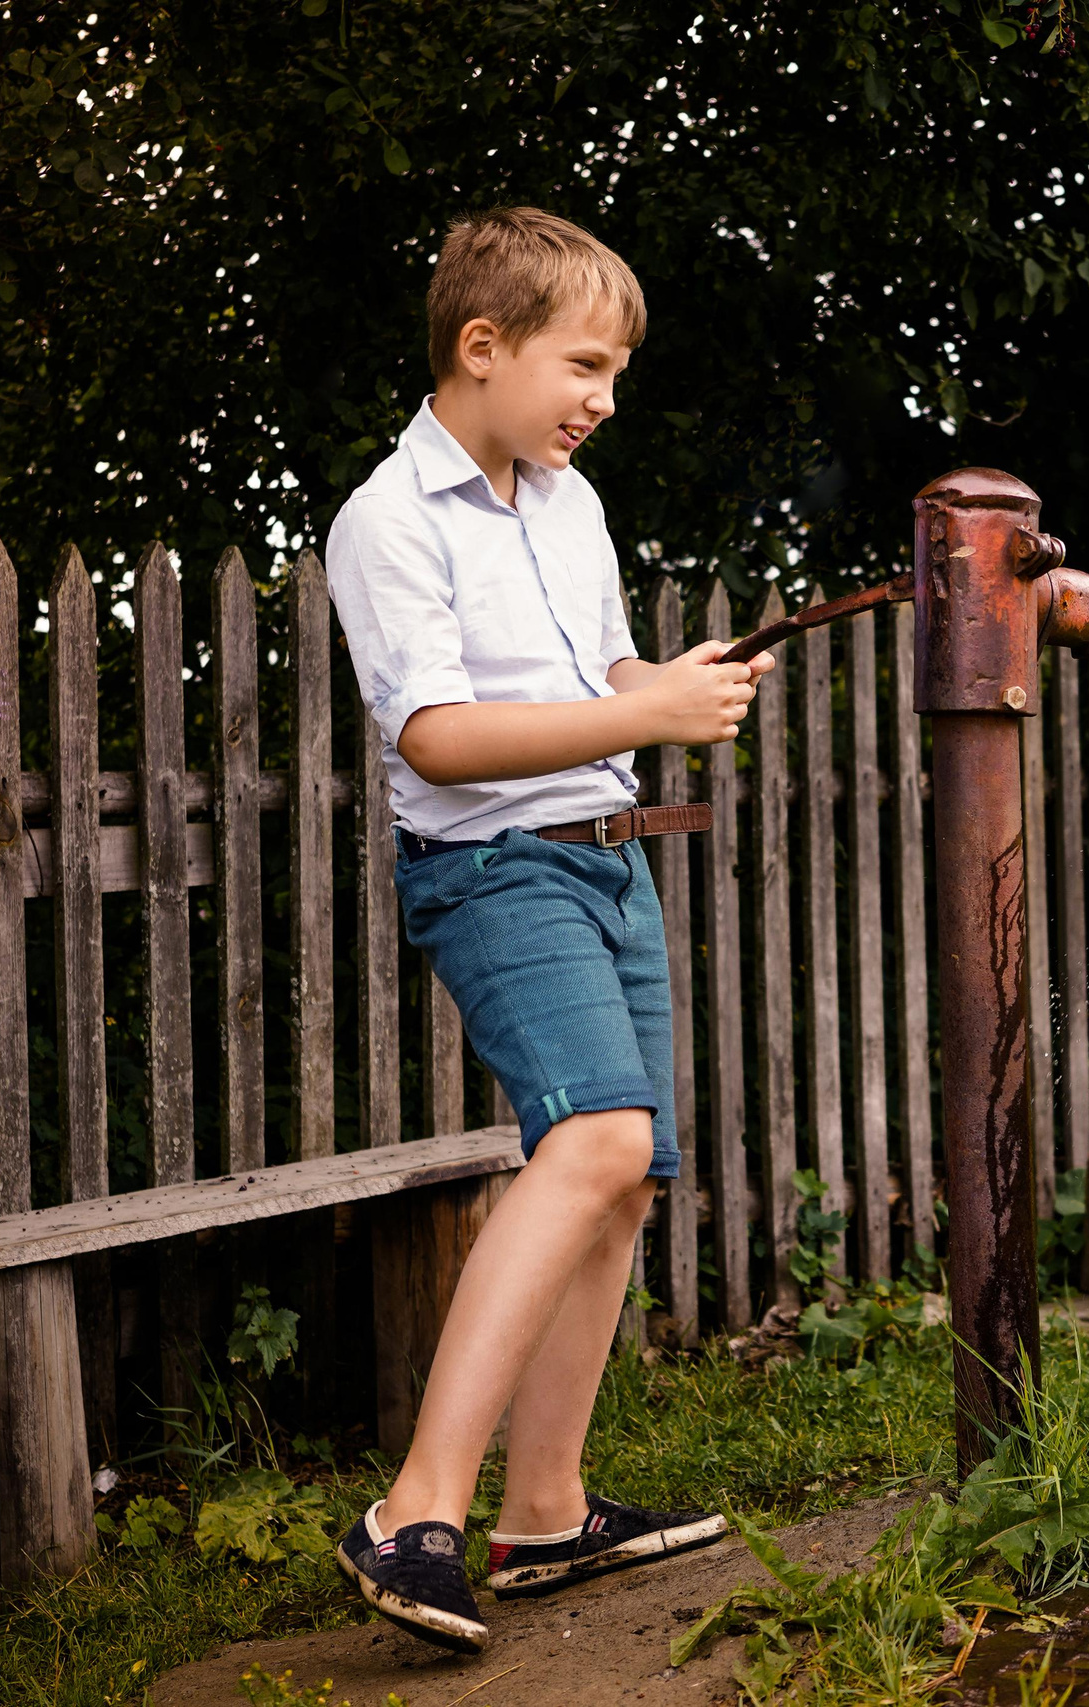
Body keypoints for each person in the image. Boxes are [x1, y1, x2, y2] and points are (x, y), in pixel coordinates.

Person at [321, 206, 775, 1652]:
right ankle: (414, 1510)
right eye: (585, 366)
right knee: (591, 1141)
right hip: (496, 867)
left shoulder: (569, 503)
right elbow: (439, 737)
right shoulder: (389, 520)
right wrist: (640, 710)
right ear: (482, 345)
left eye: (615, 374)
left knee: (623, 1176)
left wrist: (666, 683)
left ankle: (545, 1511)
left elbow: (604, 670)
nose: (604, 401)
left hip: (608, 860)